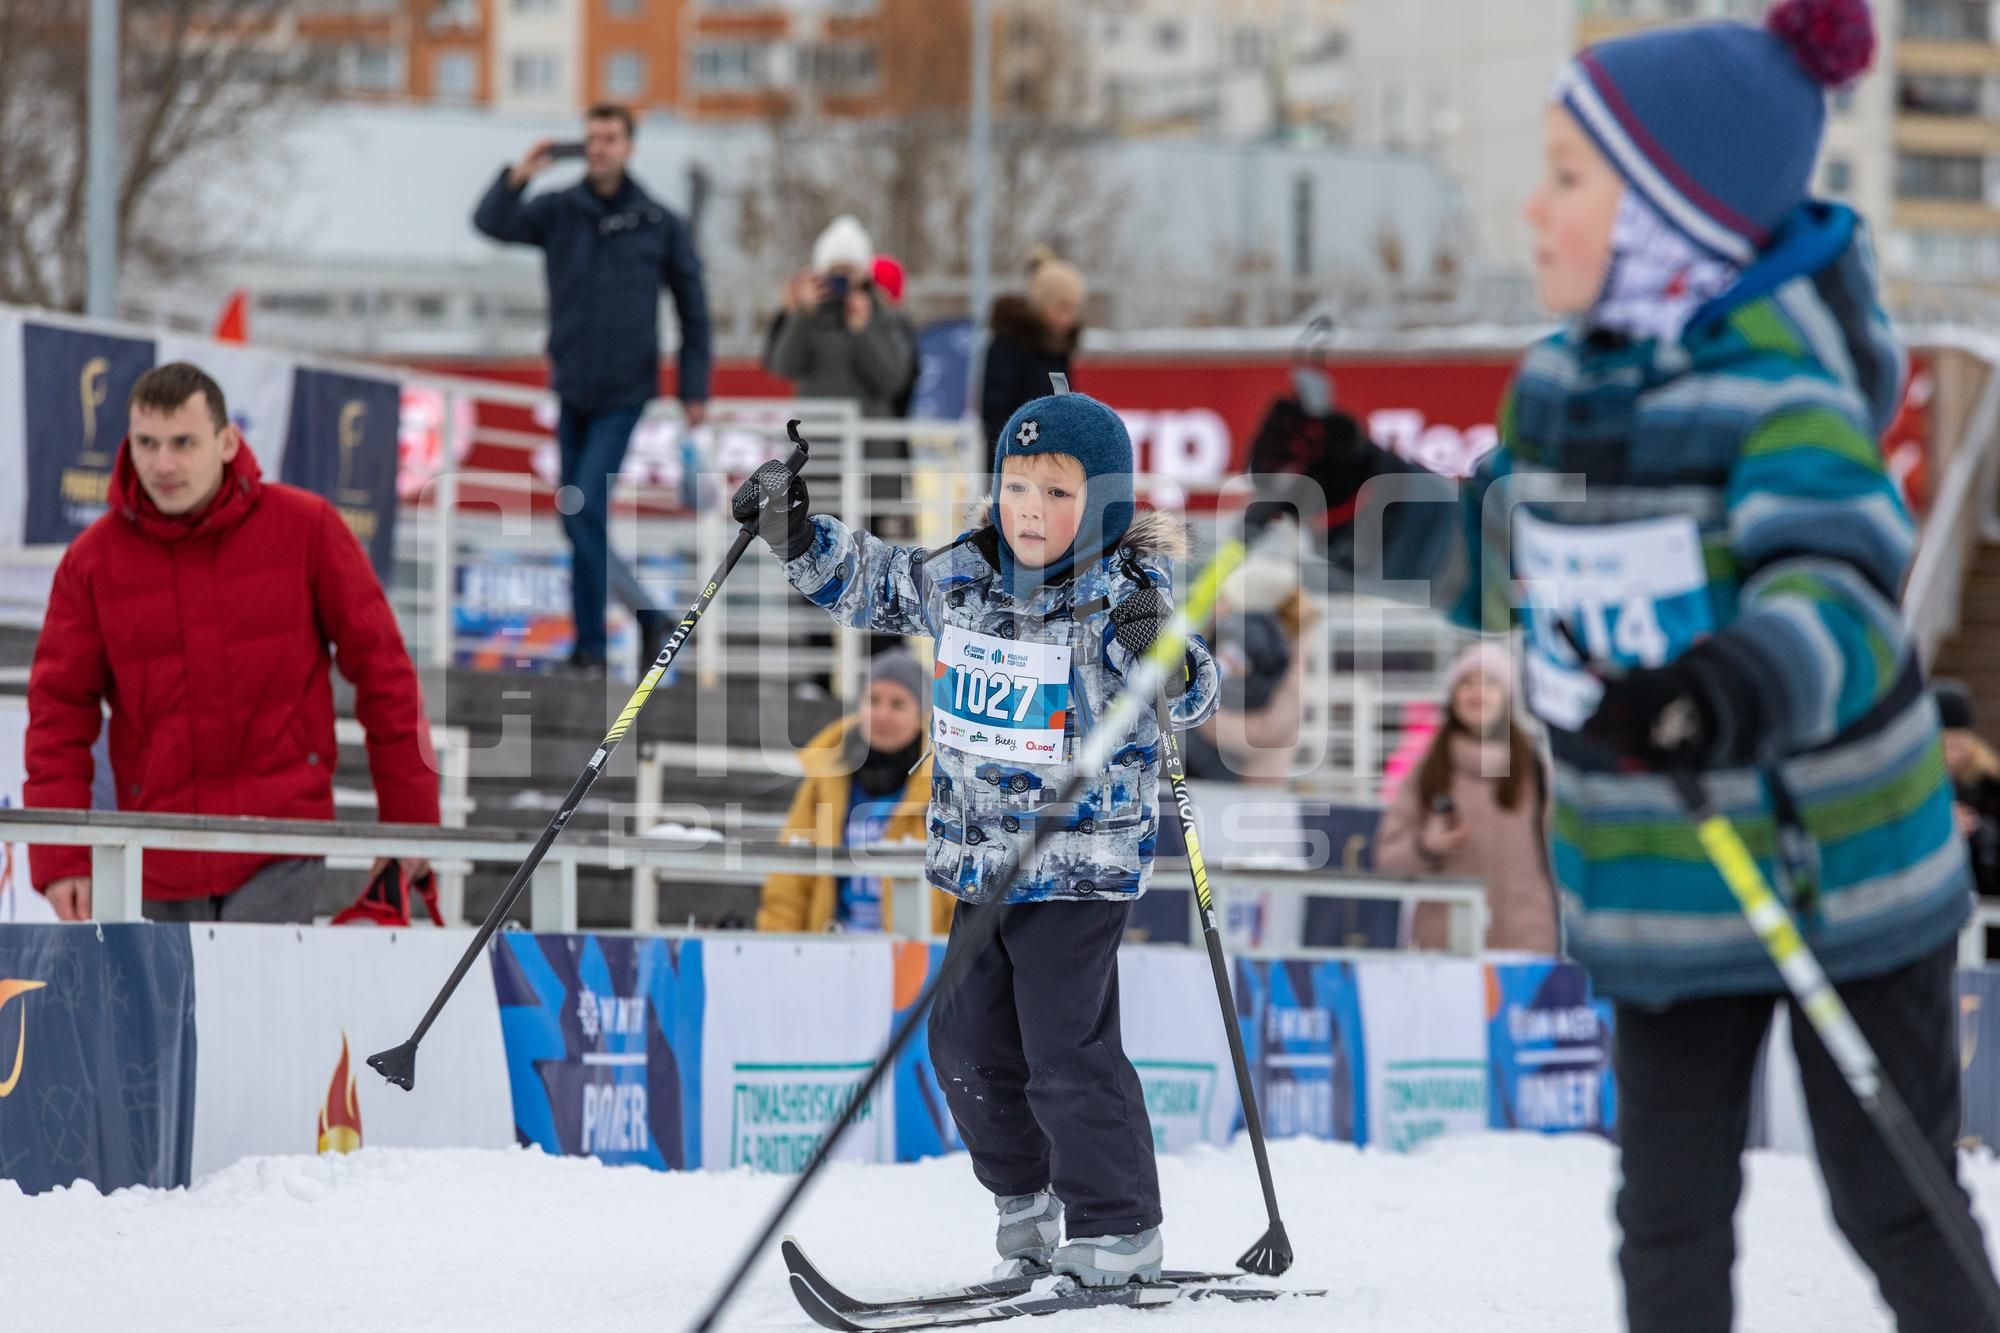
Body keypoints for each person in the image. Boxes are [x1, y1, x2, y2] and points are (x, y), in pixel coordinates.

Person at [1321, 2, 1997, 1328]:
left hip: (1838, 876)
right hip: (1659, 880)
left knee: (1888, 1199)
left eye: (1569, 178)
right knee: (1667, 1218)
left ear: (1675, 216)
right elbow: (1496, 561)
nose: (1533, 211)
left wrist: (1721, 688)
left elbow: (1846, 598)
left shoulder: (1780, 394)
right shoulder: (1559, 391)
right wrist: (1358, 495)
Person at [733, 390, 1219, 1286]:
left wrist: (1169, 654)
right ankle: (1026, 1203)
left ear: (1105, 505)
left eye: (1059, 493)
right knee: (962, 1044)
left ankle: (1119, 1225)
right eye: (1017, 485)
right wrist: (796, 532)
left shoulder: (1122, 595)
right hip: (980, 864)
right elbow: (875, 580)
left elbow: (1189, 693)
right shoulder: (962, 573)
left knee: (1064, 1046)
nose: (1031, 510)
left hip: (1077, 864)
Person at [25, 363, 438, 922]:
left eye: (183, 443)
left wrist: (409, 824)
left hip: (279, 844)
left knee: (254, 1010)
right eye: (147, 443)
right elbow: (59, 715)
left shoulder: (308, 528)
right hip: (156, 850)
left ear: (227, 442)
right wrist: (62, 855)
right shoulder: (92, 560)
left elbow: (386, 674)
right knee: (174, 1013)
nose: (162, 464)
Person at [473, 103, 713, 676]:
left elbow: (693, 310)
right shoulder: (560, 211)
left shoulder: (658, 221)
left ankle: (647, 617)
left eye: (610, 138)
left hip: (625, 392)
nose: (600, 147)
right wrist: (521, 173)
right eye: (592, 139)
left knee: (577, 506)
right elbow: (490, 223)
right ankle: (592, 651)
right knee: (582, 514)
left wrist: (694, 387)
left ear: (629, 146)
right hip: (572, 387)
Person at [1373, 642, 1557, 954]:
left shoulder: (1536, 770)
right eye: (1467, 682)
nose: (1477, 693)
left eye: (1489, 683)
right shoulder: (1428, 770)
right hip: (1445, 950)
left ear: (1508, 697)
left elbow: (1558, 859)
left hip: (1527, 948)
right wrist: (1424, 846)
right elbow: (1385, 859)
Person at [756, 648, 952, 935]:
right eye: (873, 701)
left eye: (898, 705)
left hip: (916, 960)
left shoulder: (944, 787)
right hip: (831, 950)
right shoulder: (825, 779)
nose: (882, 715)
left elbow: (958, 897)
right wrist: (777, 950)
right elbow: (789, 881)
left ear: (922, 716)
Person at [765, 216, 915, 420]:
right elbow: (783, 367)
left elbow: (893, 380)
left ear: (863, 273)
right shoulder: (809, 316)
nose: (842, 280)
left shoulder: (882, 316)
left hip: (869, 441)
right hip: (818, 441)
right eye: (835, 272)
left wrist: (862, 332)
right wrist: (802, 316)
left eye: (849, 272)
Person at [980, 253, 1085, 469]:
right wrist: (1019, 453)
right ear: (1043, 305)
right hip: (1016, 462)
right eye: (1062, 307)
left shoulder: (1058, 348)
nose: (1069, 317)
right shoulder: (1008, 345)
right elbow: (996, 411)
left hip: (1054, 464)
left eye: (1073, 308)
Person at [1936, 682, 2000, 956]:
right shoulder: (1914, 791)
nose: (1951, 755)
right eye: (1944, 745)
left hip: (1983, 905)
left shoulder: (1989, 785)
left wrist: (1979, 831)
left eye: (1958, 745)